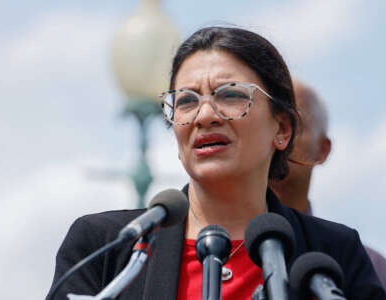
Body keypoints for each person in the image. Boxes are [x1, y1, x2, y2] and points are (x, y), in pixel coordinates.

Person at [46, 26, 385, 299]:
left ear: (281, 128)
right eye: (186, 101)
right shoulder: (107, 246)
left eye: (231, 94)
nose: (205, 116)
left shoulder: (335, 253)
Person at [270, 79, 386, 288]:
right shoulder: (212, 251)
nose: (279, 136)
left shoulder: (363, 266)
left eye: (293, 124)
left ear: (322, 150)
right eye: (270, 122)